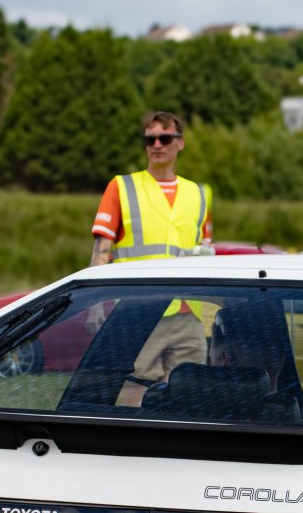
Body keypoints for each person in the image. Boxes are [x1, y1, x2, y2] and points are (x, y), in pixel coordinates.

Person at [88, 111, 213, 405]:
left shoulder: (197, 194)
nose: (157, 144)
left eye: (165, 138)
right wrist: (95, 304)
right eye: (150, 139)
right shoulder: (121, 186)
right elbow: (101, 249)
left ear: (180, 143)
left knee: (190, 394)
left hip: (188, 314)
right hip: (136, 312)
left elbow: (206, 251)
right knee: (133, 390)